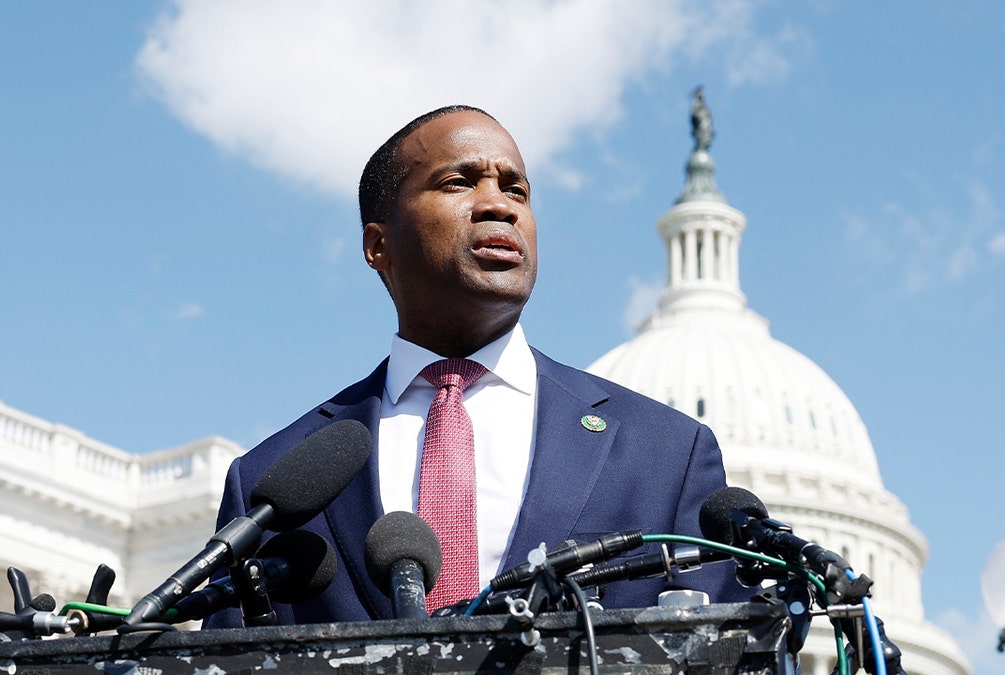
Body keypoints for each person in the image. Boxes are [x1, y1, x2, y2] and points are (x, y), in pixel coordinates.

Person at [206, 105, 742, 626]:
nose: (499, 206)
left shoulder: (664, 454)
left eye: (517, 190)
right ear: (378, 244)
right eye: (459, 182)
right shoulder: (270, 482)